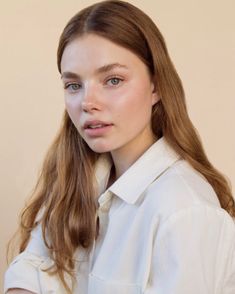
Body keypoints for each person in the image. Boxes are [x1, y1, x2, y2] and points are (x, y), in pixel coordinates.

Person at [4, 0, 235, 293]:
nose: (88, 102)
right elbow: (32, 271)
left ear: (157, 86)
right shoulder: (81, 181)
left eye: (113, 80)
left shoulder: (183, 211)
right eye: (74, 85)